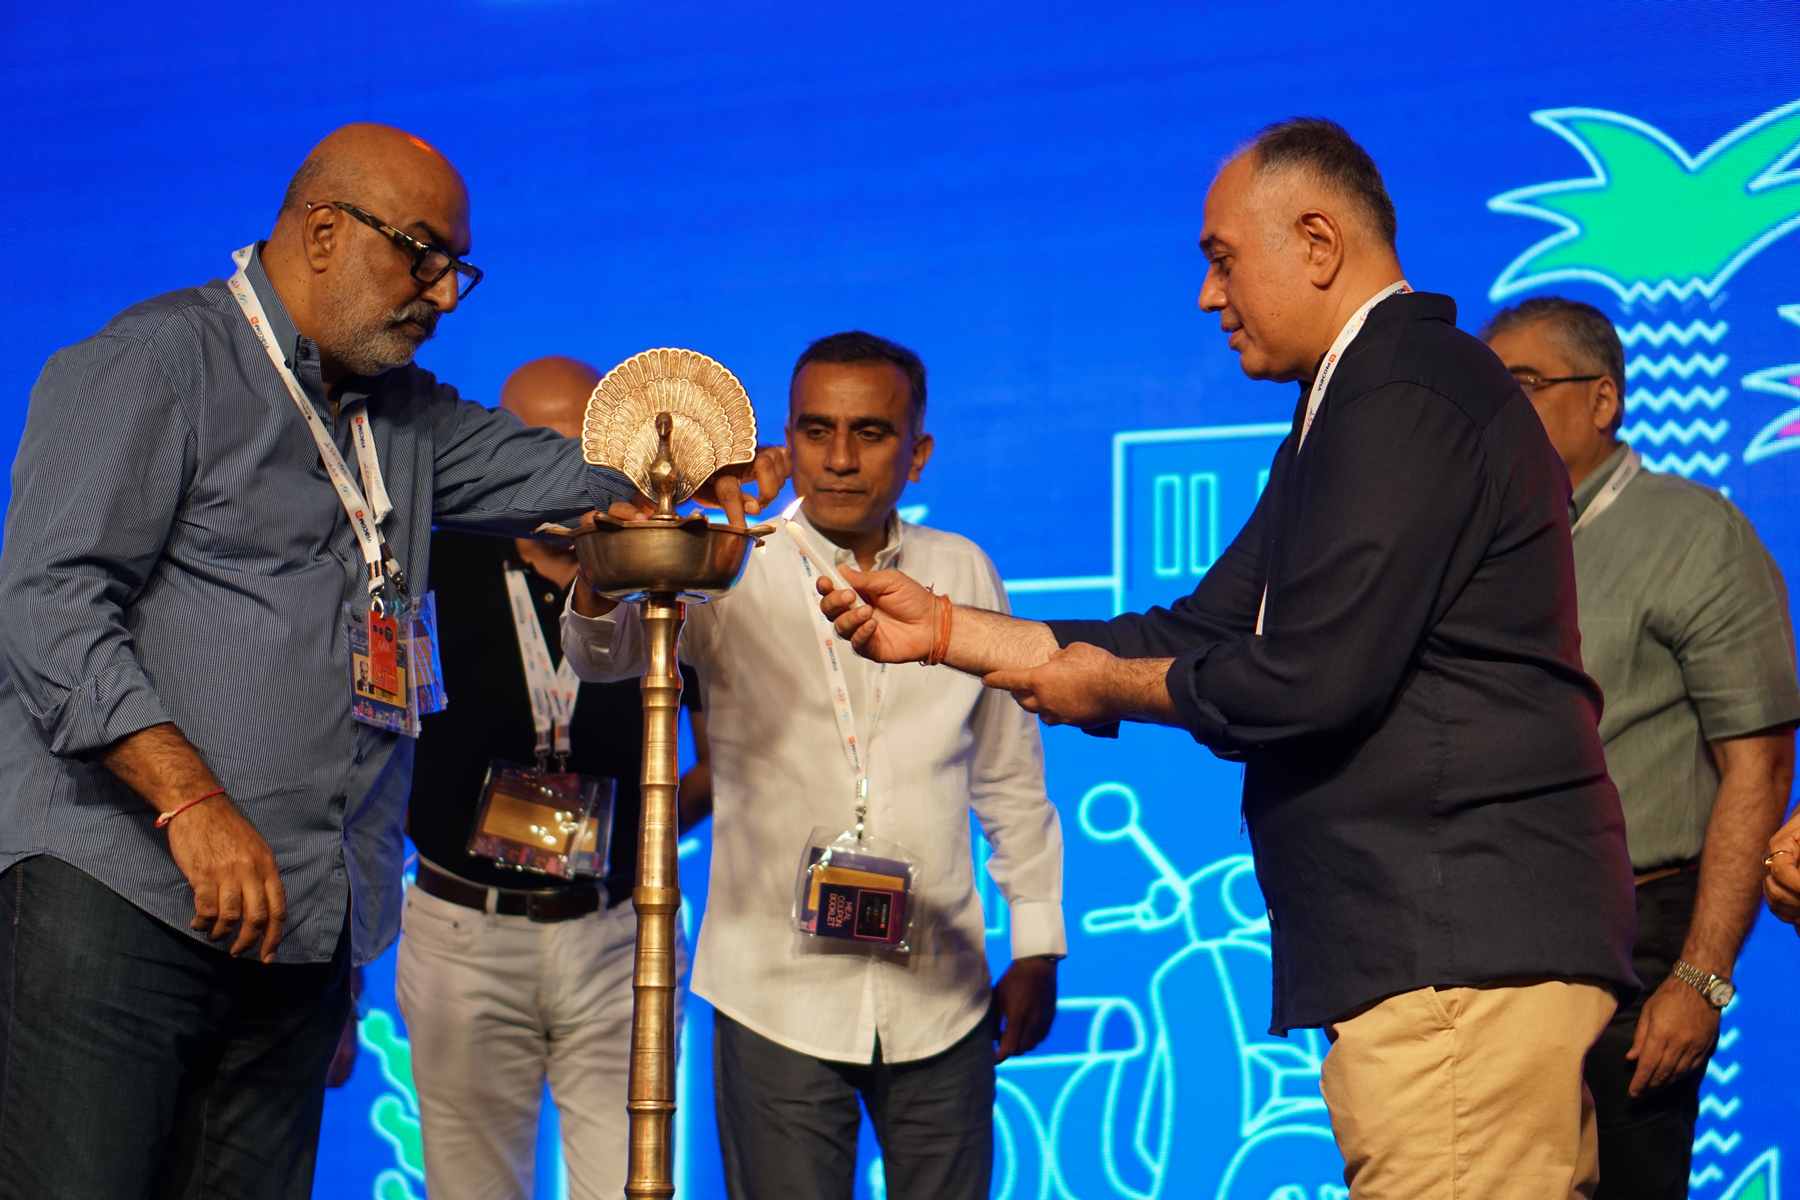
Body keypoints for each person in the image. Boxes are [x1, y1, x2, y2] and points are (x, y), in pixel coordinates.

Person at [820, 119, 1638, 1200]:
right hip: (1442, 957)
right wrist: (947, 632)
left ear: (1317, 242)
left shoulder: (1405, 391)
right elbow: (1206, 629)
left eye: (1222, 258)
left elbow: (1314, 677)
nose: (1209, 297)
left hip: (1458, 952)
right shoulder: (1352, 400)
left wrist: (1105, 682)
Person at [0, 123, 779, 1200]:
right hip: (122, 895)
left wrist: (697, 464)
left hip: (293, 925)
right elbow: (47, 603)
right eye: (423, 256)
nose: (444, 295)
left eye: (458, 268)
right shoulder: (153, 364)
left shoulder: (403, 417)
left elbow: (562, 470)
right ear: (324, 232)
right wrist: (191, 802)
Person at [562, 331, 1066, 1200]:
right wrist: (612, 570)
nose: (839, 458)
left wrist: (1038, 944)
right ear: (785, 442)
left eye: (870, 432)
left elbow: (1008, 774)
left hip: (942, 990)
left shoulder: (963, 570)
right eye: (816, 430)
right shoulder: (731, 560)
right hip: (773, 991)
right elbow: (602, 656)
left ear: (918, 454)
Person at [1482, 297, 1800, 1198]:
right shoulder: (1476, 546)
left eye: (1524, 385)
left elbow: (1761, 765)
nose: (1500, 412)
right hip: (1489, 946)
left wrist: (1700, 980)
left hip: (1637, 932)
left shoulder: (1694, 534)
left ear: (1604, 399)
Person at [399, 355, 714, 1200]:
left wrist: (634, 841)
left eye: (581, 446)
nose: (560, 470)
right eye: (535, 444)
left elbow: (727, 757)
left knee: (631, 1184)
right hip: (462, 929)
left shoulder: (657, 572)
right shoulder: (433, 563)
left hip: (616, 933)